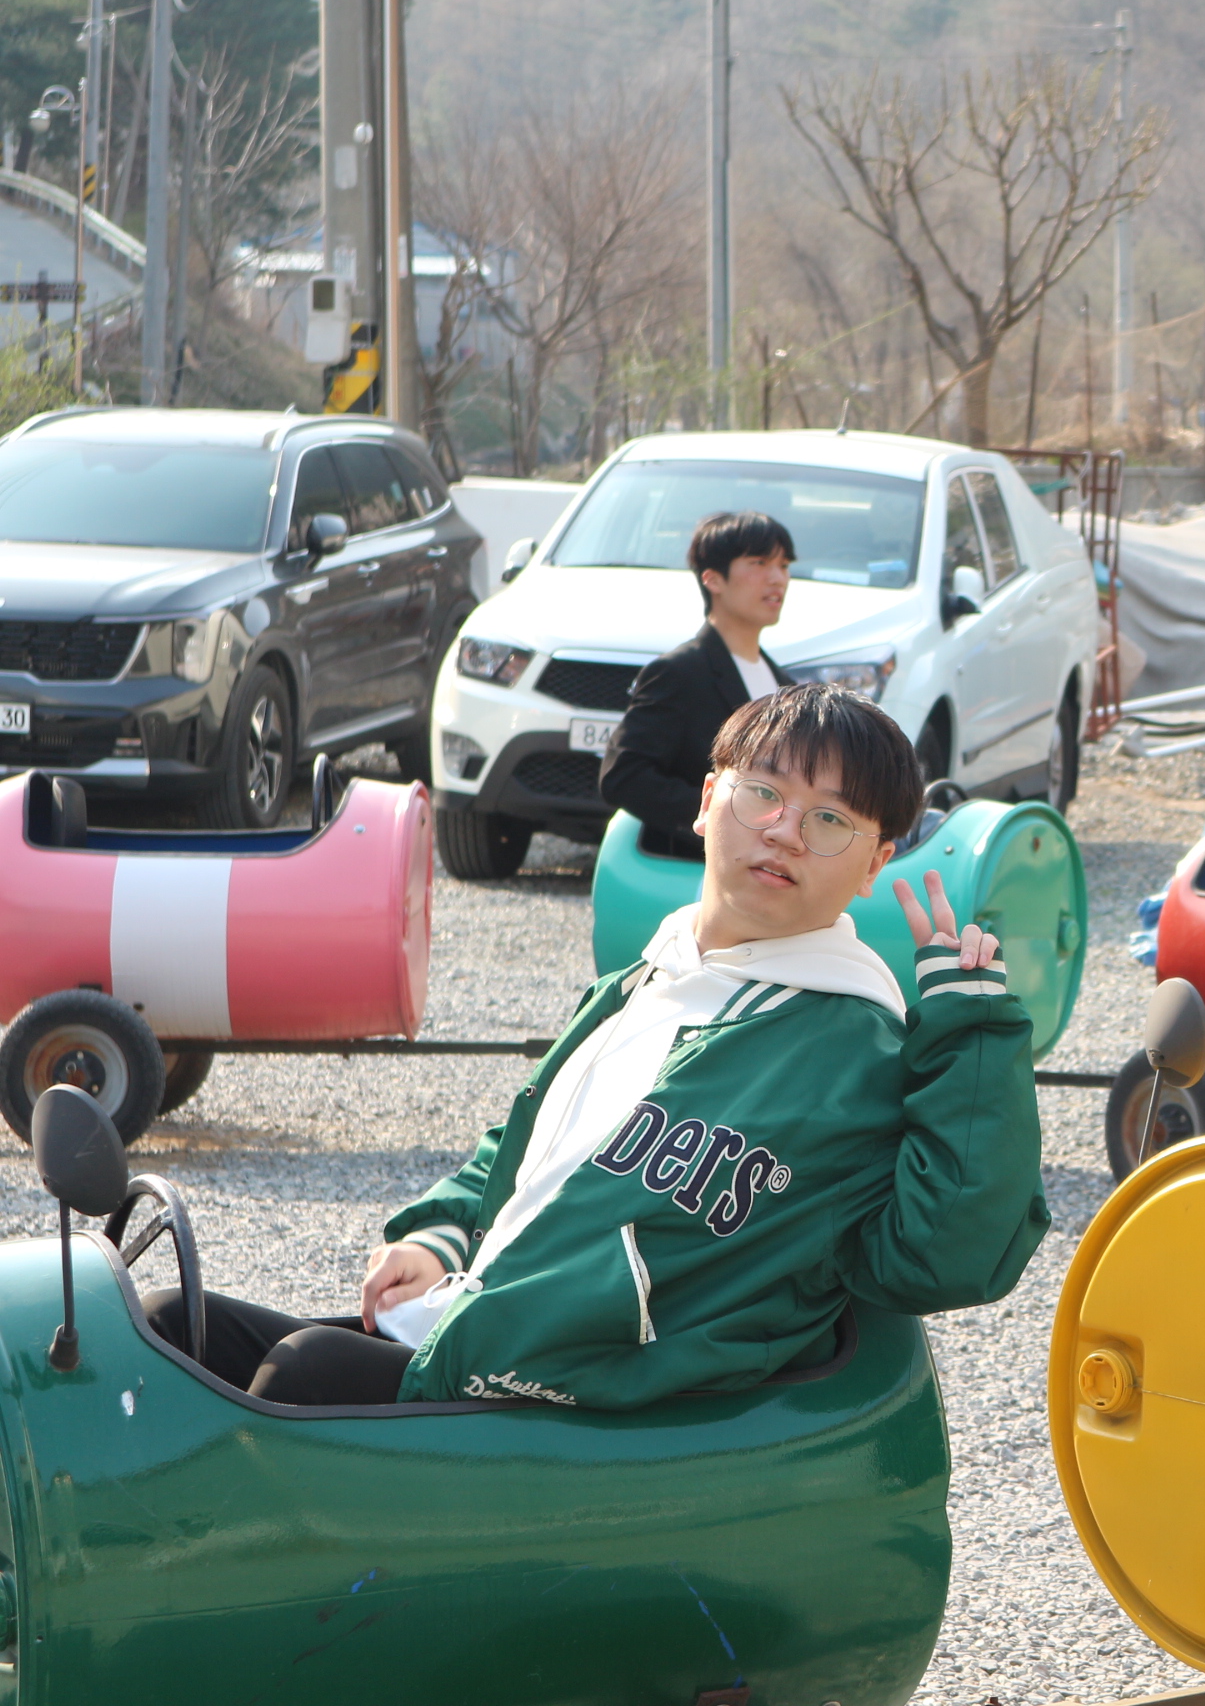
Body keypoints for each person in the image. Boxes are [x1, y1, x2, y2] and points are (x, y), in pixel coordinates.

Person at [147, 684, 1050, 1408]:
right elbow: (529, 1152)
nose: (783, 830)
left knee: (302, 1377)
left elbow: (944, 1257)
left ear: (875, 862)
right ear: (709, 803)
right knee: (163, 1328)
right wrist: (442, 1233)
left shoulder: (858, 1045)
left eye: (829, 821)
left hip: (589, 1403)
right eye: (764, 794)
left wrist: (972, 1040)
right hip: (477, 1329)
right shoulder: (642, 984)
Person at [601, 511, 800, 859]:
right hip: (693, 870)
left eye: (783, 566)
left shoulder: (786, 686)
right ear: (713, 579)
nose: (777, 578)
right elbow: (624, 776)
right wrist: (727, 817)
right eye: (759, 563)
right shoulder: (678, 672)